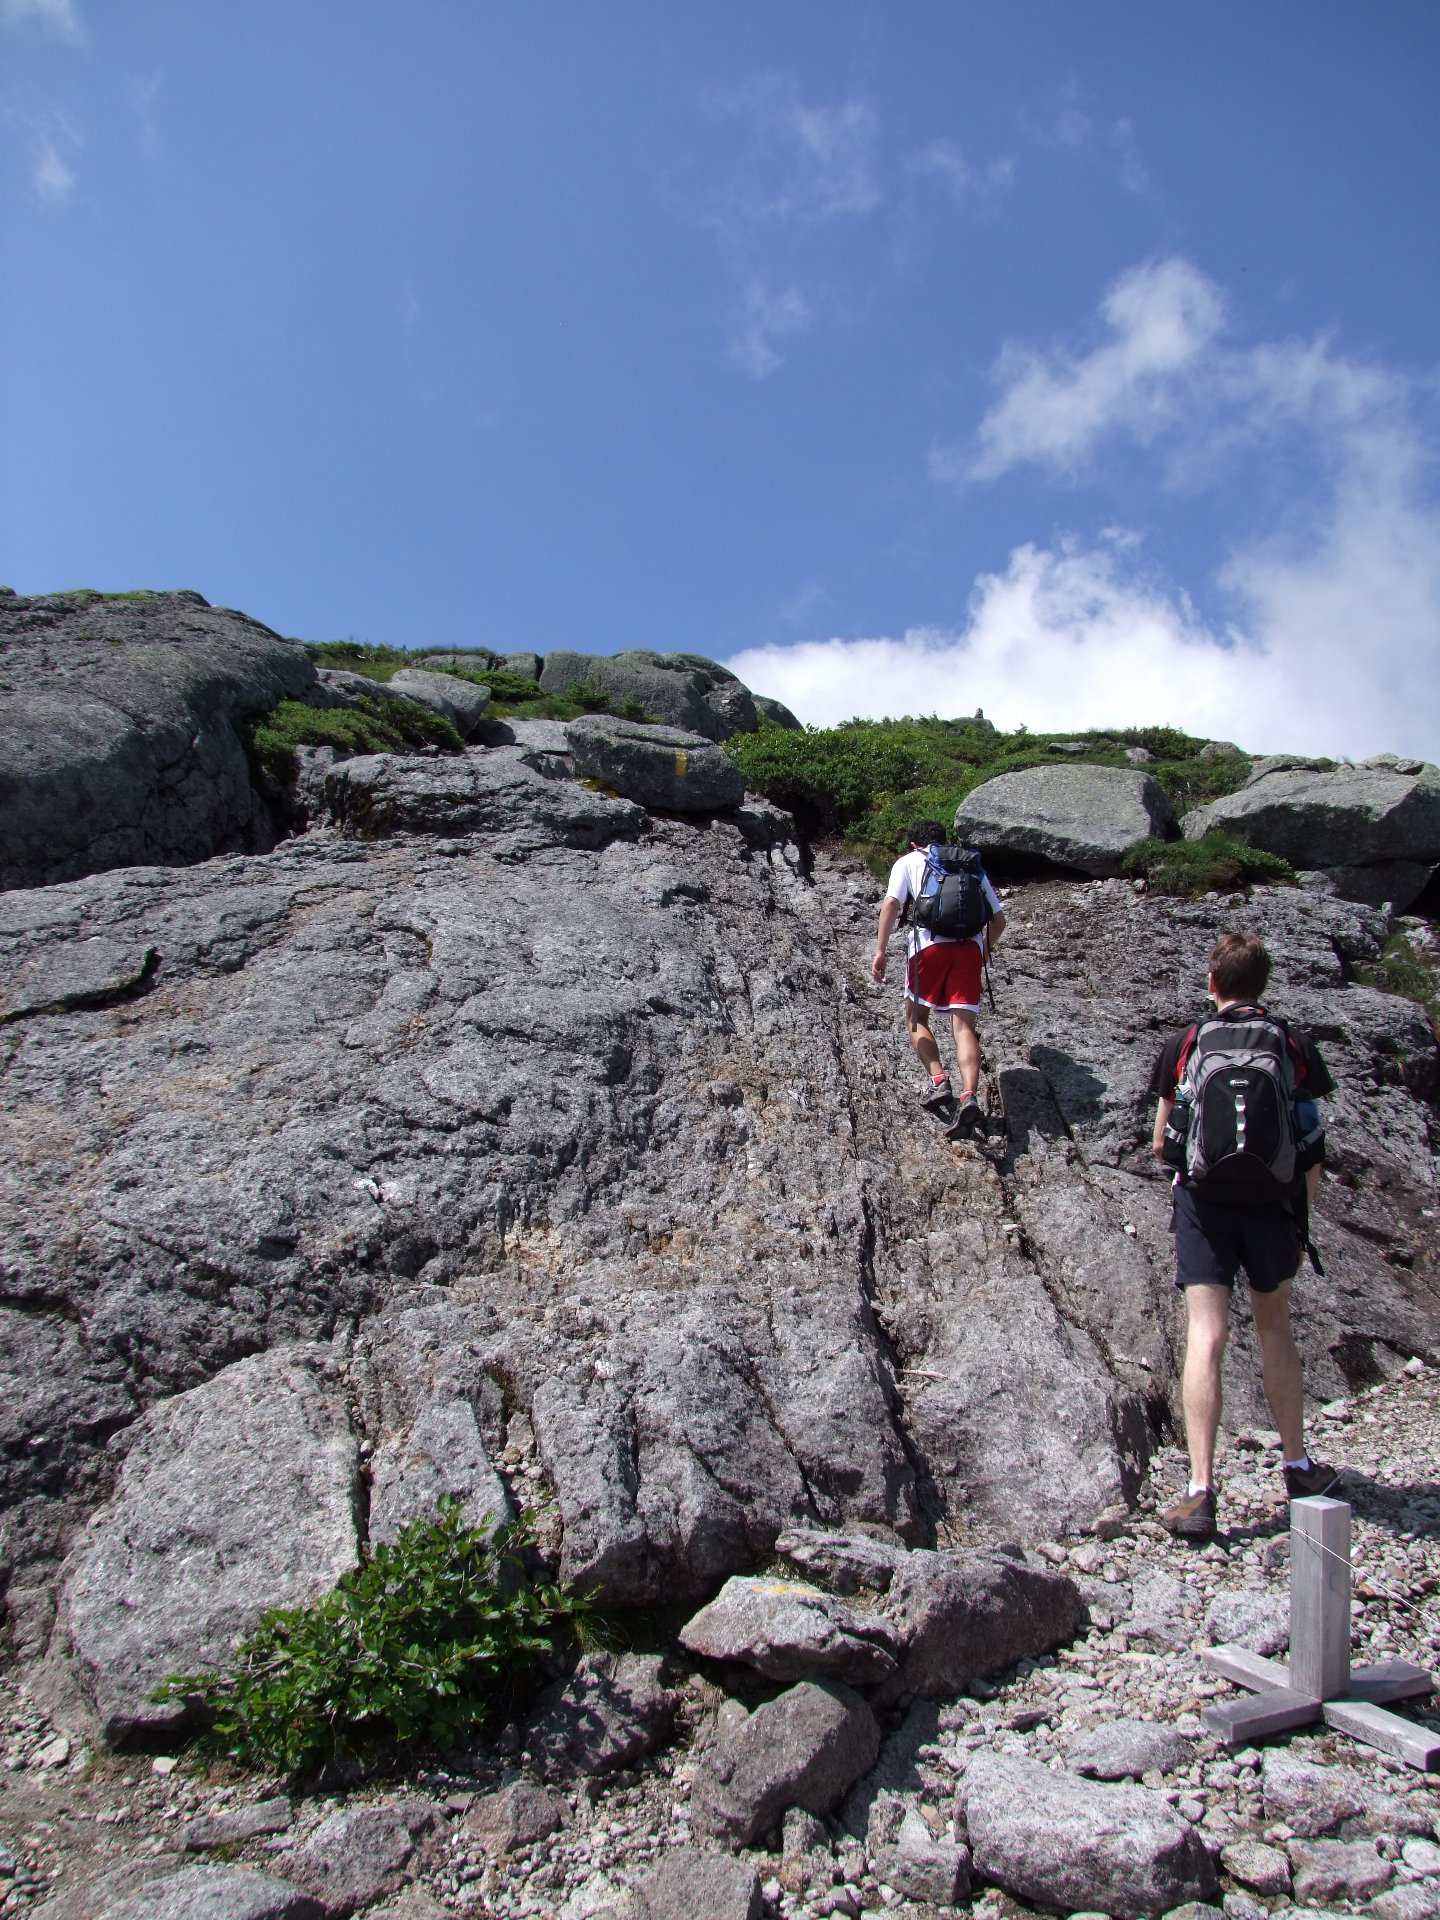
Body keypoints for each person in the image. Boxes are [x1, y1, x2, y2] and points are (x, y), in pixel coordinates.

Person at [1148, 931, 1336, 1537]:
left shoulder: (1186, 1042)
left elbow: (1163, 1143)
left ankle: (1201, 1490)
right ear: (1263, 984)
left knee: (1206, 1333)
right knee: (1274, 1325)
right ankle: (1297, 1466)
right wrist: (1299, 1215)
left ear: (1212, 983)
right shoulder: (1292, 1043)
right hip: (1272, 1205)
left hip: (1205, 1206)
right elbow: (1309, 1140)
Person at [871, 820, 1004, 1137]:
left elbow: (891, 903)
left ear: (913, 843)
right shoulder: (969, 864)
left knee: (916, 1018)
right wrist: (982, 953)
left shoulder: (909, 862)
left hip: (928, 947)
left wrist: (880, 950)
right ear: (945, 841)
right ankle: (969, 1096)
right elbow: (999, 920)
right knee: (964, 1027)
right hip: (969, 948)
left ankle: (939, 1080)